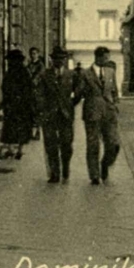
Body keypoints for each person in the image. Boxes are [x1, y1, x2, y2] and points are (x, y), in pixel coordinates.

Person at [35, 47, 80, 183]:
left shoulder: (71, 75)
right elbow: (39, 94)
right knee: (51, 144)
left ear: (65, 59)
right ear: (51, 60)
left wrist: (71, 103)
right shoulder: (44, 75)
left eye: (61, 59)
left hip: (66, 115)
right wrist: (43, 108)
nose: (58, 61)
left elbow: (78, 92)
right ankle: (54, 172)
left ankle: (65, 167)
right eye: (56, 59)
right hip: (49, 115)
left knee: (67, 143)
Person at [79, 46, 121, 185]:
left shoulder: (110, 71)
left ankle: (105, 164)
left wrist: (115, 105)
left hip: (109, 113)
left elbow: (114, 91)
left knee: (114, 144)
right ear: (98, 57)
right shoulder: (85, 73)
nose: (108, 60)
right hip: (92, 113)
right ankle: (94, 175)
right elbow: (80, 92)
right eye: (106, 57)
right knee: (93, 145)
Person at [0, 49, 37, 160]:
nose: (10, 62)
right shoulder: (23, 71)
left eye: (11, 60)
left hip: (16, 105)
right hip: (20, 105)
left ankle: (14, 149)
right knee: (18, 128)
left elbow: (6, 87)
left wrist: (6, 101)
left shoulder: (14, 72)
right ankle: (17, 149)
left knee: (13, 127)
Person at [27, 47, 45, 139]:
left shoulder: (41, 65)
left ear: (38, 54)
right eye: (31, 53)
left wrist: (33, 80)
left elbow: (38, 76)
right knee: (30, 111)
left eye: (34, 53)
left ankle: (38, 131)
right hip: (30, 91)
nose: (33, 55)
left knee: (38, 111)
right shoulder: (29, 65)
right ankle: (30, 132)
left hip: (38, 91)